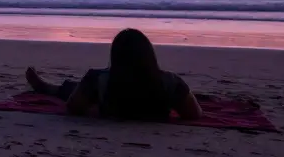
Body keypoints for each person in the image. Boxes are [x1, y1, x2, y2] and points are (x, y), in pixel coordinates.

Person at [23, 28, 202, 121]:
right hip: (151, 97)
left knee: (76, 87)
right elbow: (194, 114)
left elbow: (73, 107)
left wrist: (96, 109)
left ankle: (47, 88)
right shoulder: (171, 81)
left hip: (109, 95)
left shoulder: (99, 79)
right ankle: (47, 87)